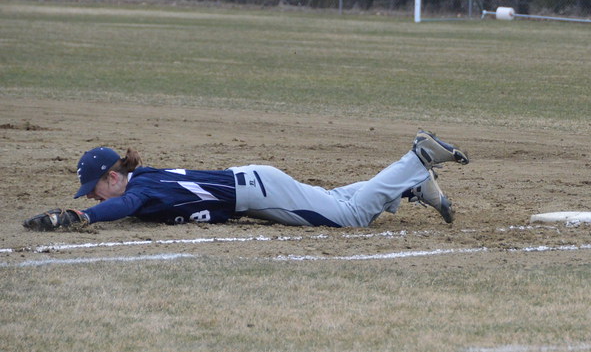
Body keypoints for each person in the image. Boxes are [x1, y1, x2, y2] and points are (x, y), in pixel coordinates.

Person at [23, 130, 469, 230]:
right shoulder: (145, 177)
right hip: (255, 184)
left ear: (113, 175)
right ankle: (412, 186)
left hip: (257, 192)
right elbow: (128, 203)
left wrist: (81, 215)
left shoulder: (140, 188)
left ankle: (418, 159)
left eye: (95, 186)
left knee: (348, 218)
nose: (96, 193)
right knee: (332, 199)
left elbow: (124, 206)